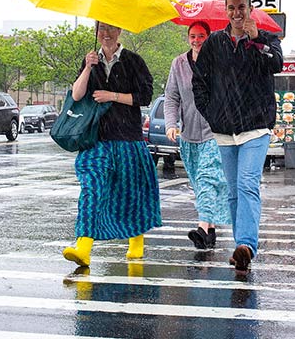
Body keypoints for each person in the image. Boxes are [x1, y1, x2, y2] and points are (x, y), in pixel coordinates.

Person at [192, 0, 283, 273]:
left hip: (256, 128)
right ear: (226, 10)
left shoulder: (265, 39)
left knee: (247, 184)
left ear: (250, 8)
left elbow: (276, 64)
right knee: (232, 192)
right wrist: (212, 113)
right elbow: (199, 82)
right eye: (231, 8)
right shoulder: (215, 43)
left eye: (241, 7)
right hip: (224, 131)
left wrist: (256, 40)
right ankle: (239, 248)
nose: (236, 12)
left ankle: (246, 244)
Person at [62, 21, 161, 267]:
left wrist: (112, 96)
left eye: (110, 29)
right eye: (101, 30)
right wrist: (87, 68)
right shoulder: (91, 61)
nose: (105, 34)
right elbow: (76, 95)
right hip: (95, 140)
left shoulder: (133, 61)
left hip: (128, 138)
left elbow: (144, 96)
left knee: (130, 192)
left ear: (119, 31)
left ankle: (136, 241)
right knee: (92, 189)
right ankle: (83, 246)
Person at [164, 21, 231, 249]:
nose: (197, 40)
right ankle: (210, 231)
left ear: (209, 37)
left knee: (206, 178)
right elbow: (172, 97)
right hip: (189, 135)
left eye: (201, 36)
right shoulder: (179, 64)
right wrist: (171, 124)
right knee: (199, 182)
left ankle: (202, 227)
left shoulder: (219, 61)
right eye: (193, 36)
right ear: (188, 38)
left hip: (215, 133)